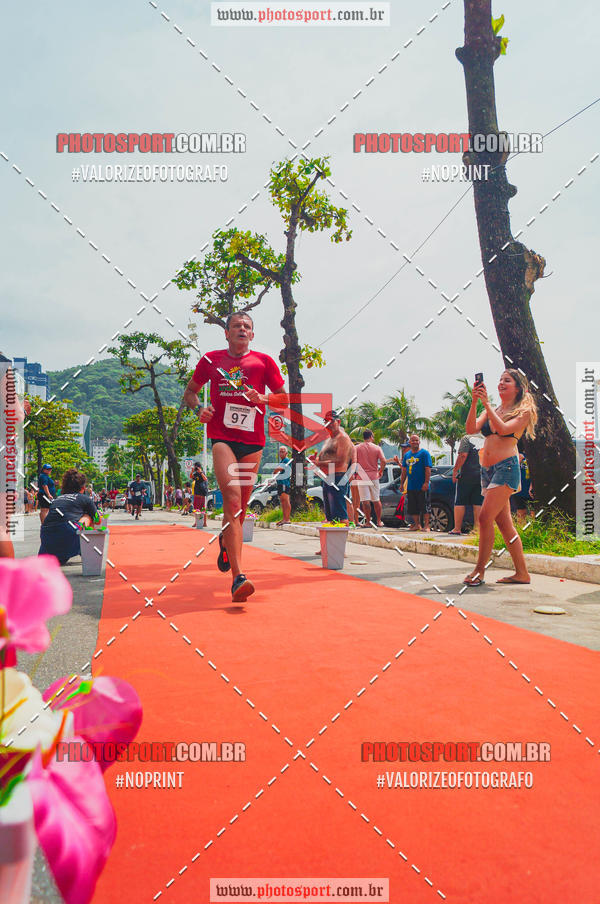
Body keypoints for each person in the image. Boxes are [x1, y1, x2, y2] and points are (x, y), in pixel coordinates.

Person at [183, 311, 287, 602]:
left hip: (252, 443)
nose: (242, 329)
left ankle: (226, 542)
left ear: (252, 334)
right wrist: (197, 410)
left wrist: (263, 398)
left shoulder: (264, 362)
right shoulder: (210, 360)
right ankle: (238, 577)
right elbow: (190, 392)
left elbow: (283, 398)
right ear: (226, 333)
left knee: (239, 508)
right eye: (236, 326)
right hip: (222, 439)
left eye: (247, 327)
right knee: (230, 499)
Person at [463, 369, 538, 586]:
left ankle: (479, 571)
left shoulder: (522, 412)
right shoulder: (495, 408)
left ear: (518, 387)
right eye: (500, 380)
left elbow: (503, 429)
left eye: (507, 380)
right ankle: (522, 573)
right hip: (487, 471)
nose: (501, 383)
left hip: (506, 468)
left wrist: (486, 405)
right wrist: (475, 402)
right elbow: (470, 429)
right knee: (505, 525)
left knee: (485, 518)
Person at [39, 469, 98, 565]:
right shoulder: (85, 499)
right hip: (69, 534)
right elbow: (97, 519)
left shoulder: (58, 499)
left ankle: (64, 553)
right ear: (82, 488)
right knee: (88, 516)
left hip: (47, 539)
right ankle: (85, 550)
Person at [309, 411, 356, 525]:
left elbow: (340, 462)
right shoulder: (328, 440)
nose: (328, 424)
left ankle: (343, 537)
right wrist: (315, 459)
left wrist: (319, 463)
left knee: (341, 516)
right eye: (326, 421)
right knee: (331, 517)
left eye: (331, 421)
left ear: (338, 422)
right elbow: (321, 457)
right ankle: (332, 541)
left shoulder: (343, 438)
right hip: (327, 478)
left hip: (338, 477)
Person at [450, 434, 483, 534]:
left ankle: (457, 528)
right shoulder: (485, 438)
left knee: (460, 501)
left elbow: (463, 455)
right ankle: (477, 529)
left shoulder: (467, 438)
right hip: (481, 474)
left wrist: (455, 470)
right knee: (478, 502)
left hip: (467, 474)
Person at [354, 431, 387, 527]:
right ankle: (379, 521)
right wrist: (380, 470)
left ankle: (368, 522)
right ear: (371, 437)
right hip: (374, 476)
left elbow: (354, 461)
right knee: (376, 499)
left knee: (365, 501)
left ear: (363, 437)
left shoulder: (357, 448)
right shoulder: (377, 448)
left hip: (362, 476)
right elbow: (383, 461)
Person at [401, 435, 432, 531]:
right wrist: (402, 484)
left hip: (422, 485)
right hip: (411, 486)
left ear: (419, 442)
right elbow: (404, 471)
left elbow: (428, 469)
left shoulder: (424, 453)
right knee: (413, 507)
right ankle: (417, 524)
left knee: (425, 506)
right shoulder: (407, 455)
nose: (415, 442)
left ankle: (426, 526)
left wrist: (426, 482)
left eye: (416, 440)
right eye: (412, 440)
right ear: (409, 442)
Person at [510, 451, 534, 525]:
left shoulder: (535, 453)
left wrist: (533, 484)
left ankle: (534, 531)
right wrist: (518, 460)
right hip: (519, 489)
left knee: (534, 512)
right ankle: (521, 532)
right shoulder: (515, 453)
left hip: (532, 489)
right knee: (520, 512)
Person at [274, 446, 292, 525]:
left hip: (284, 483)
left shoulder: (286, 460)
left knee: (286, 500)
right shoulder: (281, 461)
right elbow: (276, 471)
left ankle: (287, 519)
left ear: (286, 453)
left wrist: (276, 469)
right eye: (280, 451)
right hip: (280, 483)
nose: (281, 453)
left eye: (283, 451)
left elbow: (277, 470)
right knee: (282, 501)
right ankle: (284, 519)